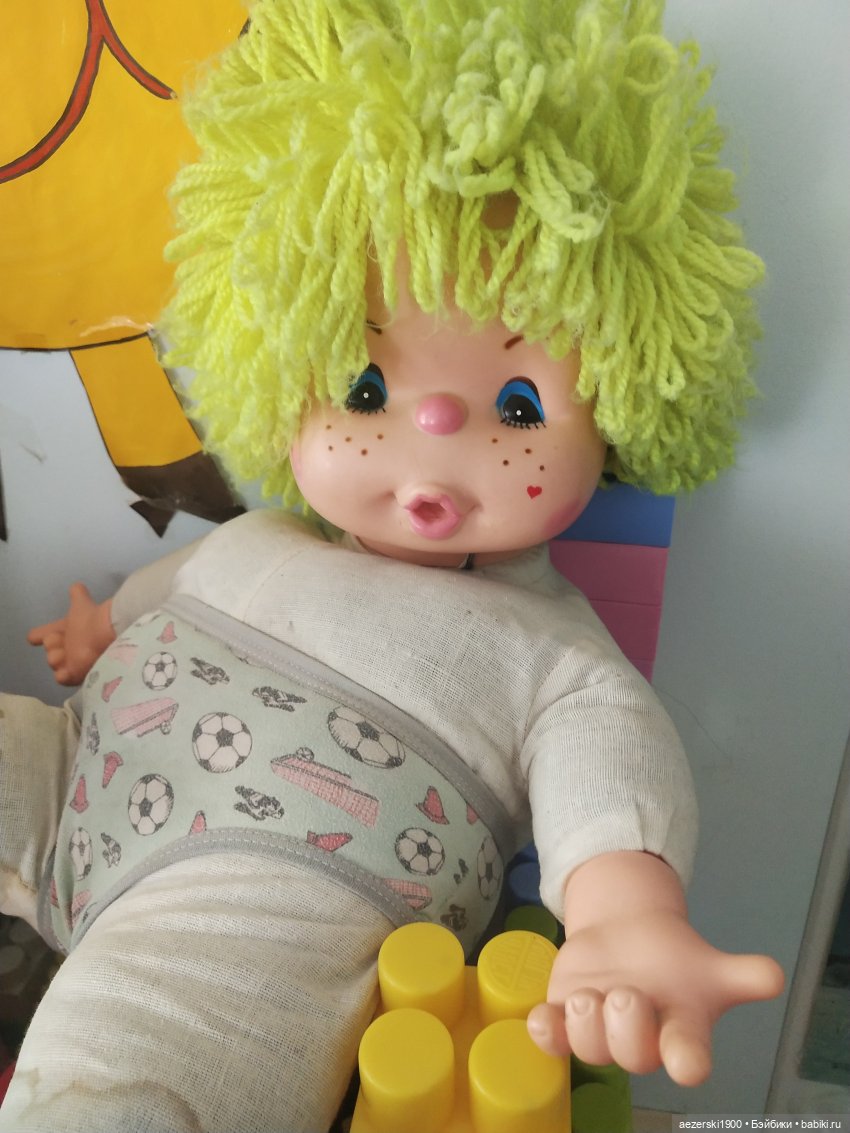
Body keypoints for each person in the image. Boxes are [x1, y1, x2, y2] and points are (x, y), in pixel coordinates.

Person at [0, 2, 783, 1129]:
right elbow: (164, 590)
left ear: (619, 406)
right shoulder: (262, 536)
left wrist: (622, 919)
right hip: (71, 759)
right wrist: (98, 628)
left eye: (518, 405)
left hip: (266, 900)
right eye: (366, 389)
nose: (430, 428)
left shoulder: (552, 655)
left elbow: (611, 785)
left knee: (123, 1075)